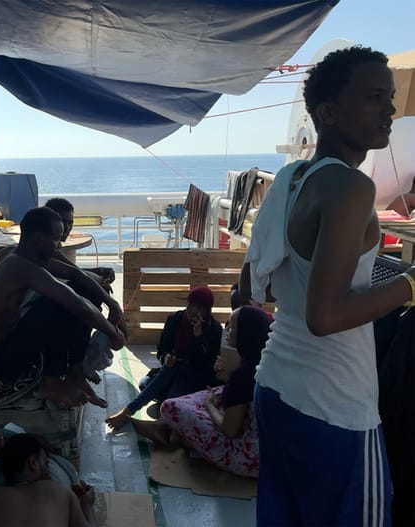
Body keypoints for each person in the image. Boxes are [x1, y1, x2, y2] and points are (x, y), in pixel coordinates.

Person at [239, 46, 415, 526]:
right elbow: (327, 317)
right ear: (328, 112)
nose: (389, 110)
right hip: (334, 402)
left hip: (278, 385)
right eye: (373, 97)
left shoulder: (291, 178)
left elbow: (257, 288)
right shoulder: (351, 187)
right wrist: (410, 283)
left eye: (390, 97)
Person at [0, 206, 126, 408]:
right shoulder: (18, 267)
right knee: (58, 306)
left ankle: (75, 373)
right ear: (38, 238)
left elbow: (74, 274)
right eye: (56, 239)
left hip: (14, 344)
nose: (59, 245)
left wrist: (112, 304)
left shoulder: (18, 254)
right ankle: (51, 384)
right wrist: (114, 333)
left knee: (83, 291)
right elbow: (78, 305)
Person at [131, 306, 272, 478]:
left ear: (246, 334)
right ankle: (165, 428)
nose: (227, 329)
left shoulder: (240, 370)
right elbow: (164, 349)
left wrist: (209, 405)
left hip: (246, 458)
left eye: (233, 327)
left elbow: (229, 430)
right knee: (213, 391)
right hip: (267, 452)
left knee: (171, 406)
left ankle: (171, 431)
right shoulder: (263, 364)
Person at [105, 286, 222, 430]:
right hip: (173, 371)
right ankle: (169, 411)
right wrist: (166, 357)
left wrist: (198, 337)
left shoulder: (214, 329)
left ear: (208, 310)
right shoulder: (175, 320)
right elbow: (162, 349)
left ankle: (132, 412)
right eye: (191, 305)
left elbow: (208, 364)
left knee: (178, 372)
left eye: (200, 308)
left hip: (196, 379)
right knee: (145, 383)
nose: (194, 311)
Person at [0, 433, 96, 527]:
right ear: (33, 463)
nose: (49, 470)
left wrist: (5, 443)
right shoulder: (58, 491)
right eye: (46, 464)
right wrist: (87, 505)